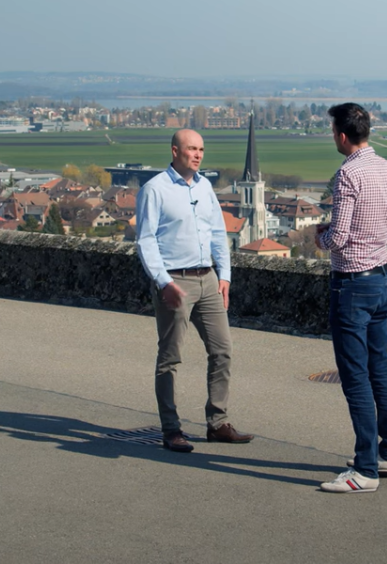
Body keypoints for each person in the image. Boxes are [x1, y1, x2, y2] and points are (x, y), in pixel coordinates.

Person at [135, 129, 253, 453]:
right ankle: (171, 430)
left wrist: (225, 276)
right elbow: (145, 240)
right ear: (175, 151)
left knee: (222, 350)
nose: (198, 155)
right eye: (191, 149)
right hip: (176, 281)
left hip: (209, 279)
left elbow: (218, 233)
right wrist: (163, 282)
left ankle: (218, 423)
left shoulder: (205, 186)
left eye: (201, 149)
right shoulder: (154, 190)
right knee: (170, 357)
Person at [315, 103, 387, 493]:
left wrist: (319, 235)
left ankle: (365, 470)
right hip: (383, 279)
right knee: (379, 369)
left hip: (351, 283)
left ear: (340, 134)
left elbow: (338, 237)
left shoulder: (348, 175)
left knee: (355, 378)